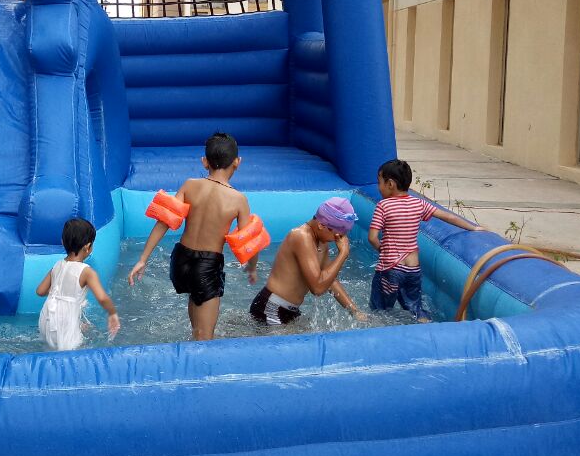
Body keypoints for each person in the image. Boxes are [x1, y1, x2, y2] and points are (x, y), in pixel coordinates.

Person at [128, 132, 260, 341]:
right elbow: (249, 244)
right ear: (237, 162)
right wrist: (252, 268)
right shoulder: (238, 200)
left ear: (205, 161)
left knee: (196, 328)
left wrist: (142, 259)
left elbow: (164, 221)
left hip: (180, 261)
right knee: (205, 337)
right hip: (207, 266)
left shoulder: (190, 185)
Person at [368, 159, 482, 321]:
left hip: (390, 268)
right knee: (416, 309)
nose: (378, 187)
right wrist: (473, 228)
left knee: (379, 311)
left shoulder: (383, 206)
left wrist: (382, 249)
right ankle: (427, 329)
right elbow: (448, 216)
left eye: (379, 182)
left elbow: (372, 238)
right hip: (413, 269)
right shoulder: (418, 203)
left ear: (390, 184)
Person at [248, 198, 367, 326]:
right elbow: (317, 288)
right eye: (338, 235)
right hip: (271, 309)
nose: (339, 240)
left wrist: (354, 311)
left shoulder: (322, 240)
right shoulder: (301, 236)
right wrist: (343, 254)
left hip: (290, 310)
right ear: (322, 225)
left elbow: (330, 280)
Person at [36, 218, 121, 351]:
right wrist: (112, 313)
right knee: (71, 353)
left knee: (50, 352)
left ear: (62, 242)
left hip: (47, 318)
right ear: (87, 247)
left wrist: (59, 295)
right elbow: (103, 298)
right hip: (65, 324)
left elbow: (40, 291)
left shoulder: (57, 266)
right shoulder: (86, 272)